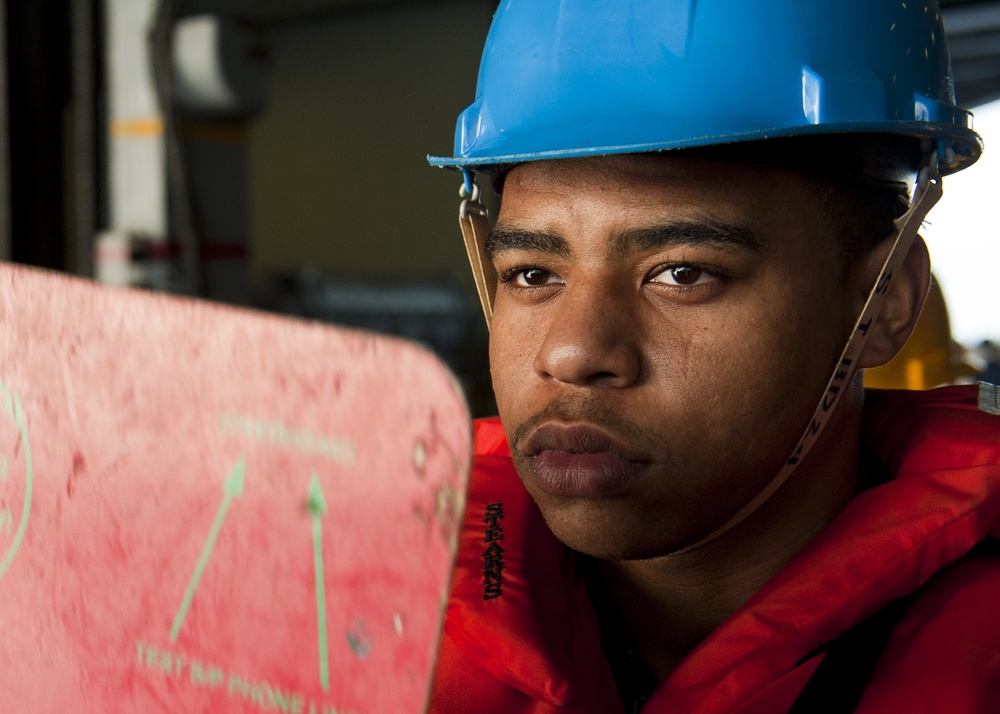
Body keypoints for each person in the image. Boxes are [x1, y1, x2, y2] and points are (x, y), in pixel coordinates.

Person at [426, 2, 1000, 712]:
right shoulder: (358, 605)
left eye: (683, 274)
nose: (571, 353)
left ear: (881, 302)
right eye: (534, 275)